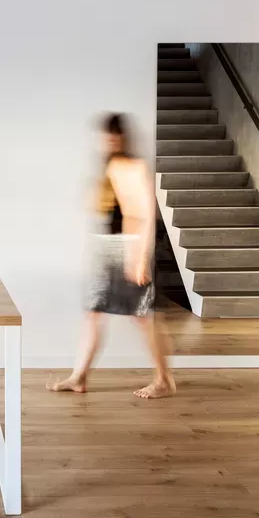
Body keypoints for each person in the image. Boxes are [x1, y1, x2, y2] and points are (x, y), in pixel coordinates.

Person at [48, 112, 175, 399]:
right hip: (109, 247)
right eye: (105, 137)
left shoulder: (130, 165)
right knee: (94, 313)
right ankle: (79, 377)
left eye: (112, 136)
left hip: (128, 248)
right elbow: (104, 209)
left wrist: (139, 258)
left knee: (144, 318)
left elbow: (141, 215)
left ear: (121, 138)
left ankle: (164, 379)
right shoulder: (111, 165)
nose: (107, 142)